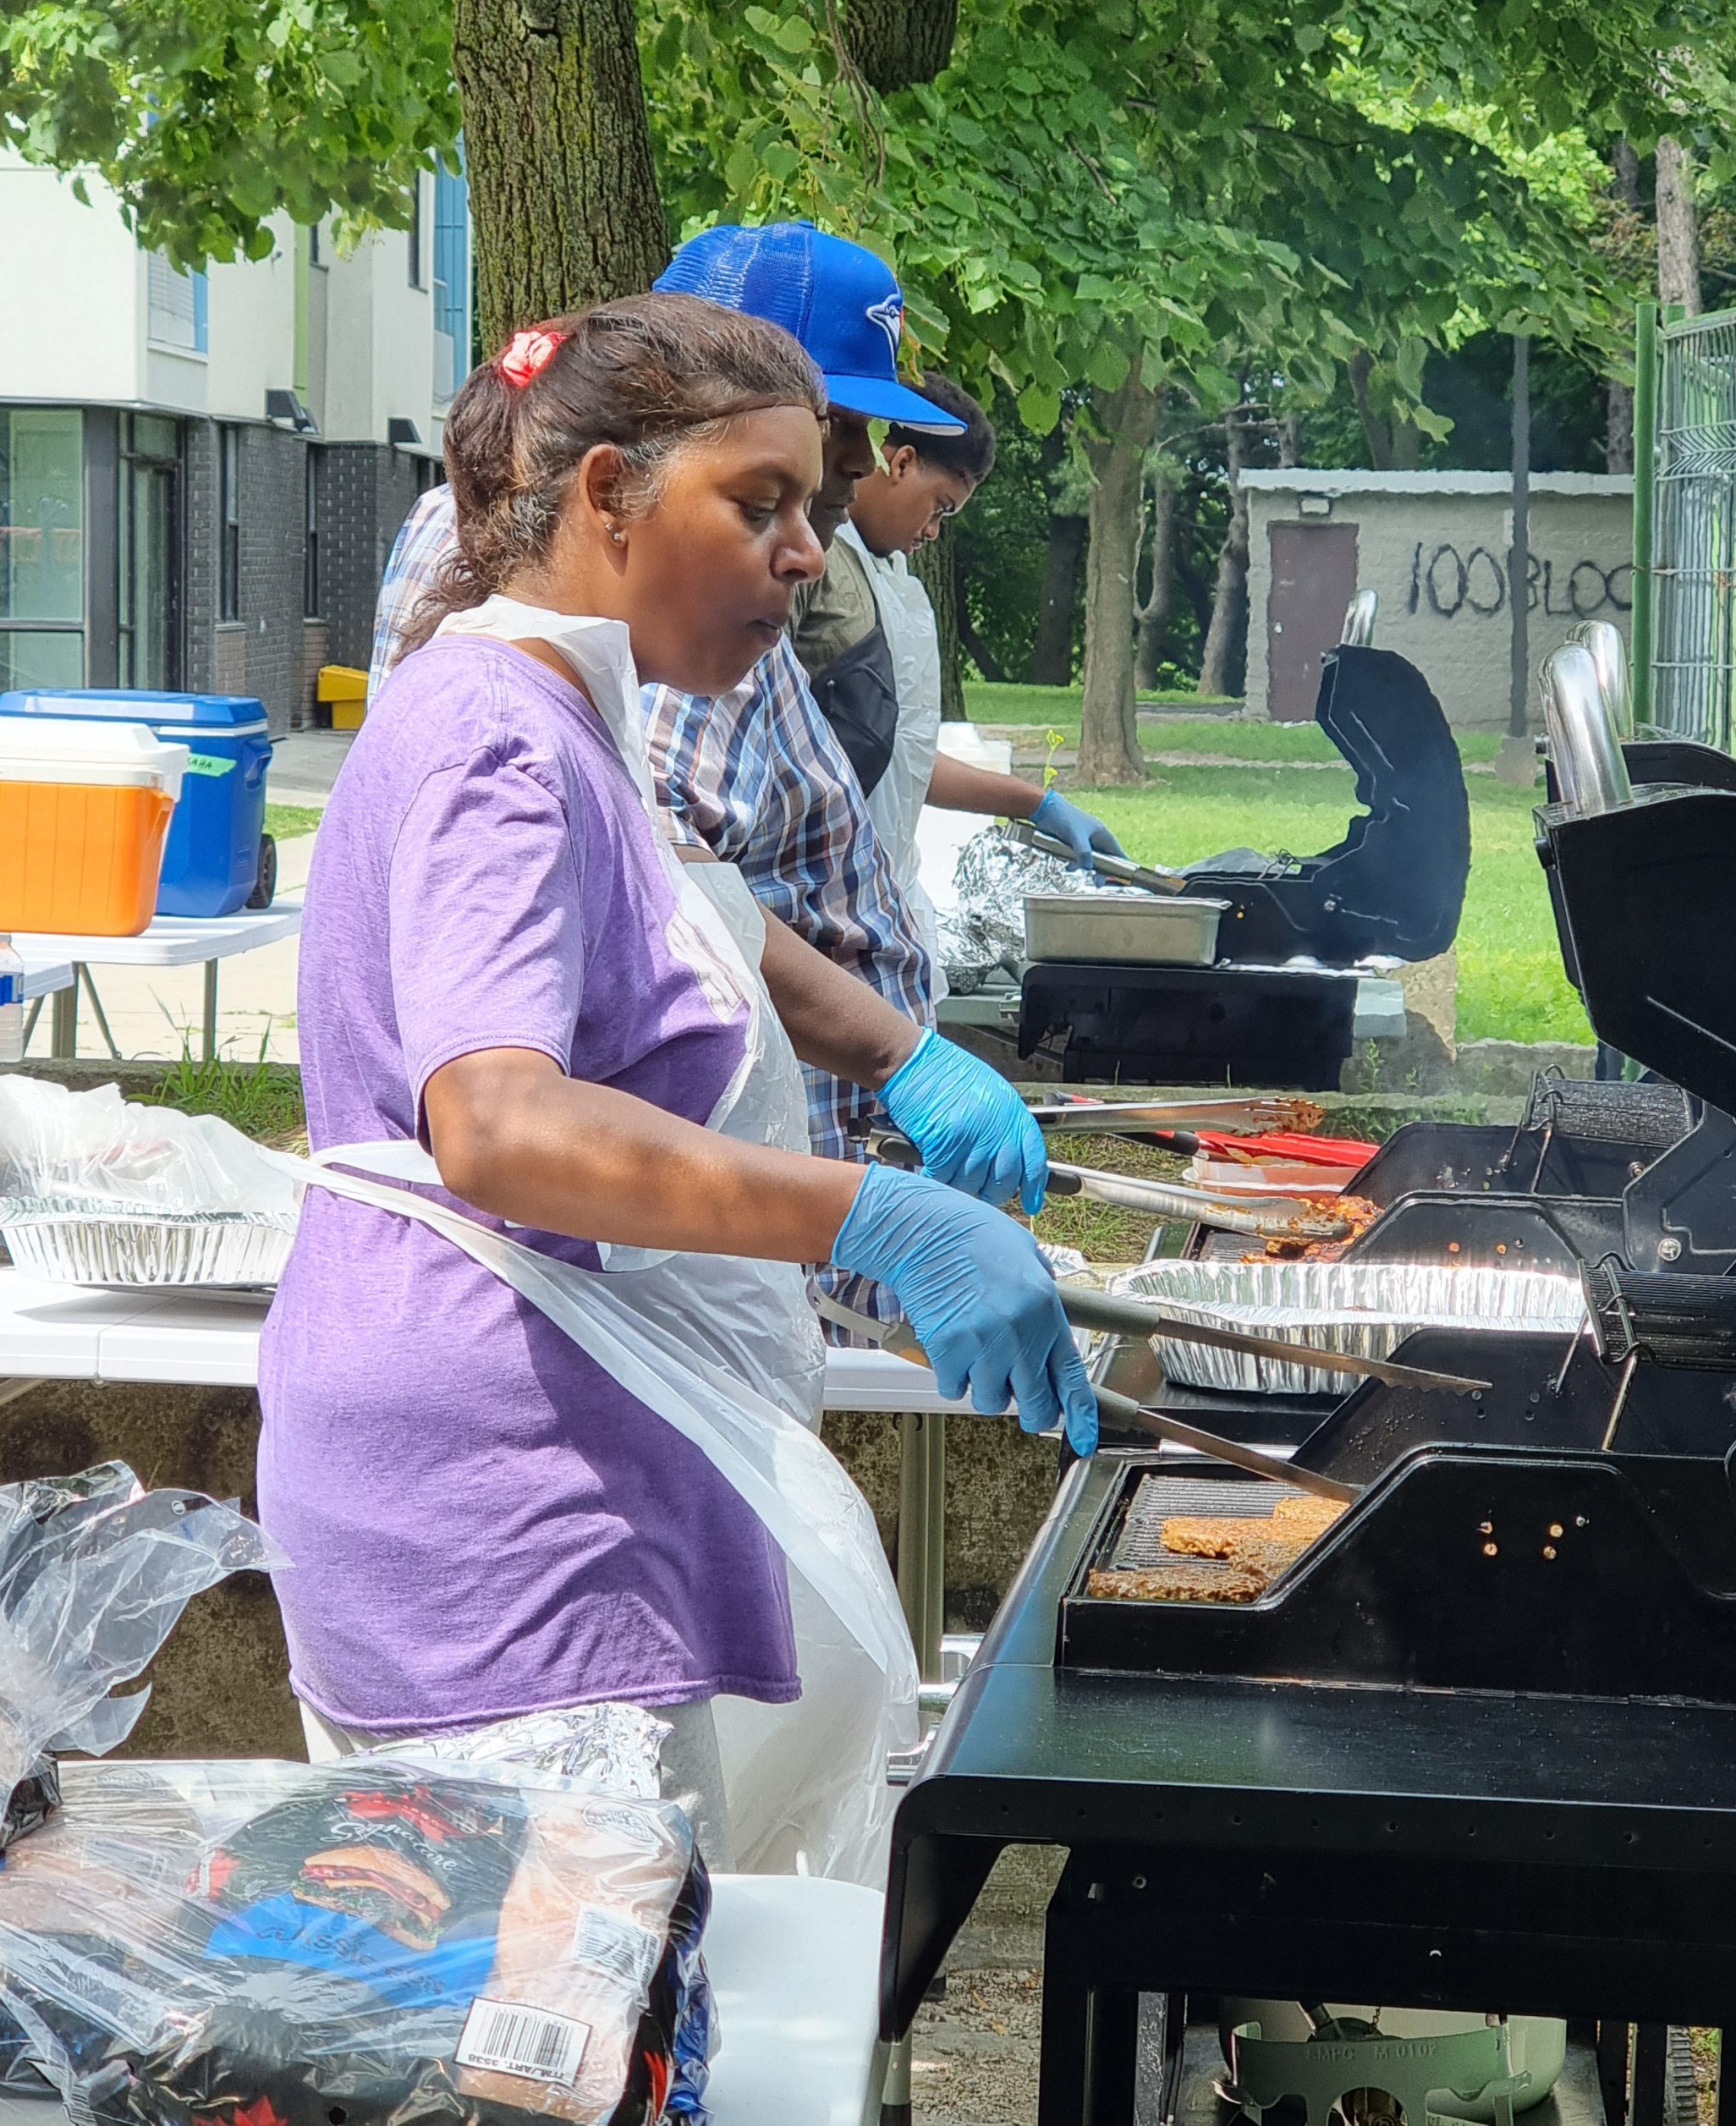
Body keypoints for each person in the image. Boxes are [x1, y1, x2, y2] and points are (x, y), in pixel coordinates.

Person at [260, 296, 1095, 1836]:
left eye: (814, 511)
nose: (802, 554)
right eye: (760, 505)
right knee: (561, 2046)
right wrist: (871, 1215)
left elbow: (690, 928)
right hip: (503, 1506)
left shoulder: (560, 713)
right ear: (606, 496)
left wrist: (904, 1061)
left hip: (555, 1470)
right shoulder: (495, 737)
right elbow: (497, 1123)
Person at [370, 222, 1051, 1224]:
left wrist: (898, 1060)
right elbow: (650, 925)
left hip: (735, 1191)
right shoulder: (514, 708)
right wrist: (879, 1105)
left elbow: (661, 872)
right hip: (687, 1200)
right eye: (765, 492)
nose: (858, 465)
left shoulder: (629, 618)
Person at [821, 372, 1127, 991]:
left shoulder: (893, 579)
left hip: (875, 895)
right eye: (941, 506)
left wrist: (1036, 804)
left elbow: (902, 759)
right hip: (817, 902)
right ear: (901, 461)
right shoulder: (822, 565)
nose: (934, 530)